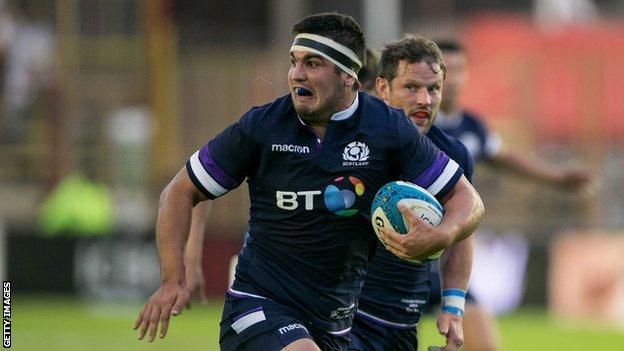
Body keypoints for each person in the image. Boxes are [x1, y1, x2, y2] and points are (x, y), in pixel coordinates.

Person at [133, 13, 484, 351]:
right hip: (259, 304)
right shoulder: (263, 126)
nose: (296, 74)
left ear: (348, 75)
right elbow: (180, 191)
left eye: (313, 64)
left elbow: (467, 200)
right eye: (294, 61)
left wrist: (442, 235)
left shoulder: (389, 130)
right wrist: (173, 278)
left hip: (335, 324)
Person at [429, 39, 594, 351]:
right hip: (402, 257)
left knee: (485, 345)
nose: (453, 78)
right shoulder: (412, 124)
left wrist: (558, 178)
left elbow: (504, 158)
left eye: (460, 69)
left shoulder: (472, 127)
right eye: (445, 70)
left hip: (450, 257)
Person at [348, 36, 475, 351]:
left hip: (402, 323)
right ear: (383, 87)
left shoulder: (452, 155)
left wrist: (453, 309)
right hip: (345, 318)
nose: (425, 100)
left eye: (433, 89)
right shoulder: (350, 141)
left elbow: (463, 231)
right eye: (411, 87)